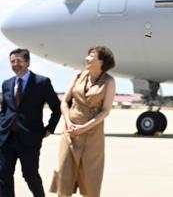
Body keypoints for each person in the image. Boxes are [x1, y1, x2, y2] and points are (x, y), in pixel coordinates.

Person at [50, 46, 116, 197]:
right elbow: (64, 102)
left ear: (101, 61)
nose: (87, 58)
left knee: (90, 179)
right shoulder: (78, 76)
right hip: (70, 131)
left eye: (92, 56)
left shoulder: (109, 81)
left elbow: (105, 111)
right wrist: (68, 122)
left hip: (93, 134)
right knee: (63, 174)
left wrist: (83, 128)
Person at [0, 48, 61, 197]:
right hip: (7, 138)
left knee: (30, 175)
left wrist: (50, 128)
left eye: (19, 61)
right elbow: (5, 110)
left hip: (30, 138)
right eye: (13, 61)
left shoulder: (42, 82)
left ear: (27, 62)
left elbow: (56, 108)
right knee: (3, 176)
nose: (16, 64)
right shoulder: (6, 84)